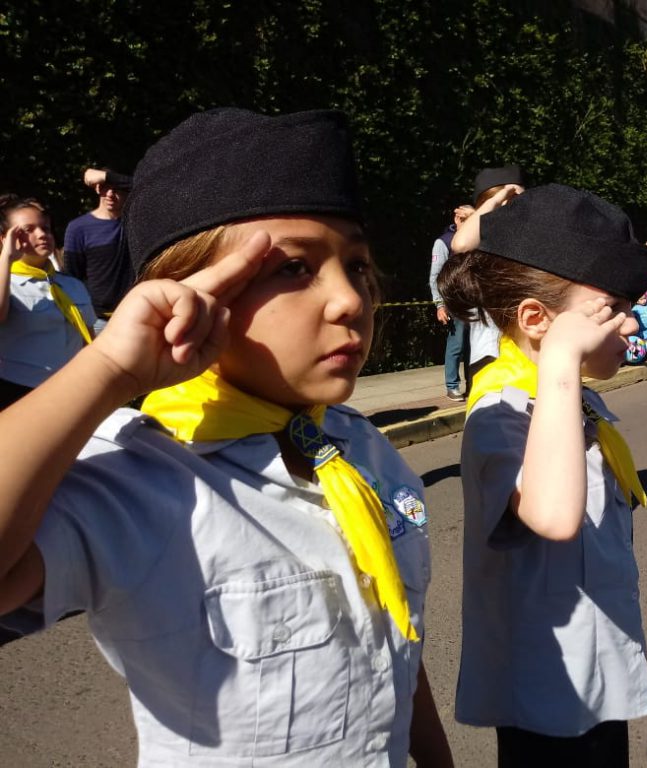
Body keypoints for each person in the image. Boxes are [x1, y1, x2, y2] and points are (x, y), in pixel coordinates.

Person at [0, 108, 452, 766]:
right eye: (294, 268)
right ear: (189, 294)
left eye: (356, 264)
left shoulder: (364, 452)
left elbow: (395, 646)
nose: (350, 299)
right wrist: (109, 370)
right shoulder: (138, 479)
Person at [438, 184, 647, 768]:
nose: (632, 328)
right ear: (537, 320)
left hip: (594, 673)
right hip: (548, 689)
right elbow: (555, 516)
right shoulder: (501, 413)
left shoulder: (571, 400)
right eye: (610, 312)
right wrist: (562, 362)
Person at [1, 197, 95, 409]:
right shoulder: (6, 283)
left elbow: (87, 339)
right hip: (19, 392)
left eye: (45, 228)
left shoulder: (71, 285)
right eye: (28, 230)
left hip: (71, 388)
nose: (42, 235)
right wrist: (6, 258)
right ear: (5, 239)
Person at [451, 165, 527, 378]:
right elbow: (461, 244)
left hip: (532, 356)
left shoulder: (531, 239)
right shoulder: (480, 246)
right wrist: (495, 203)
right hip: (490, 358)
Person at [62, 167, 134, 332]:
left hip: (133, 313)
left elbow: (146, 187)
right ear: (96, 188)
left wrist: (105, 176)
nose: (110, 194)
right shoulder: (78, 228)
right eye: (104, 187)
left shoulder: (133, 222)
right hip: (97, 320)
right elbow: (72, 278)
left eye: (116, 189)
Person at [429, 204, 475, 400]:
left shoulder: (476, 240)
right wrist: (440, 304)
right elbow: (435, 275)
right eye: (466, 220)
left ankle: (472, 385)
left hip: (475, 300)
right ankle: (452, 385)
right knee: (456, 346)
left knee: (474, 347)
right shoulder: (443, 242)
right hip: (454, 301)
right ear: (457, 220)